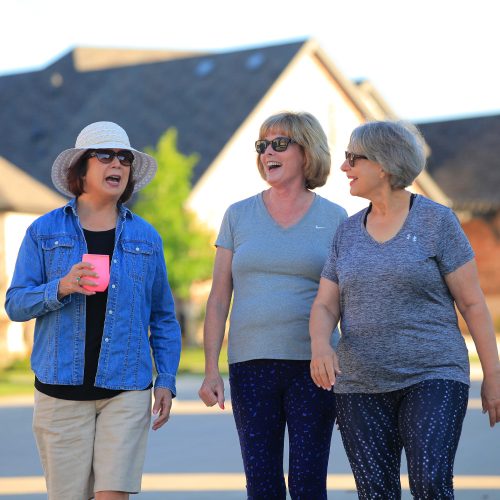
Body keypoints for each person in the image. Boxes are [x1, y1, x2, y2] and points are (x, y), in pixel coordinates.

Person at [310, 120, 500, 499]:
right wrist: (320, 344)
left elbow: (472, 302)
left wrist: (493, 377)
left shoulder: (437, 221)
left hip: (433, 374)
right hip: (360, 383)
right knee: (375, 491)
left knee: (430, 482)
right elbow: (325, 304)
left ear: (383, 164)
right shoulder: (346, 233)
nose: (344, 167)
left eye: (353, 158)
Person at [5, 121, 181, 500]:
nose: (116, 163)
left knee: (112, 495)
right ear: (81, 168)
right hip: (60, 393)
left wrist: (166, 378)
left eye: (124, 158)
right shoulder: (43, 231)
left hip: (126, 390)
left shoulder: (146, 237)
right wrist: (61, 287)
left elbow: (163, 316)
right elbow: (15, 303)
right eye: (105, 155)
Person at [198, 111, 347, 499]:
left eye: (280, 144)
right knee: (262, 483)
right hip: (250, 365)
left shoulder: (336, 218)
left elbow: (346, 297)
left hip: (314, 366)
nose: (268, 153)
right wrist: (211, 369)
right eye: (262, 146)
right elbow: (218, 297)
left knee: (308, 482)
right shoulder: (238, 214)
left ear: (307, 151)